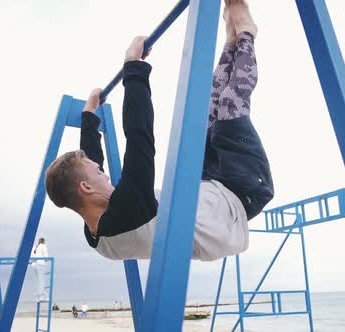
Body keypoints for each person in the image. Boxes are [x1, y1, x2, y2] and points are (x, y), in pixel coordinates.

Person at [45, 0, 273, 261]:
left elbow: (87, 165)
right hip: (241, 195)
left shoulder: (96, 231)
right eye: (99, 173)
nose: (105, 175)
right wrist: (134, 68)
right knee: (230, 105)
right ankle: (247, 32)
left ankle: (231, 42)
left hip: (208, 190)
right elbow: (139, 135)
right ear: (86, 187)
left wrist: (89, 117)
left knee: (210, 110)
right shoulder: (128, 209)